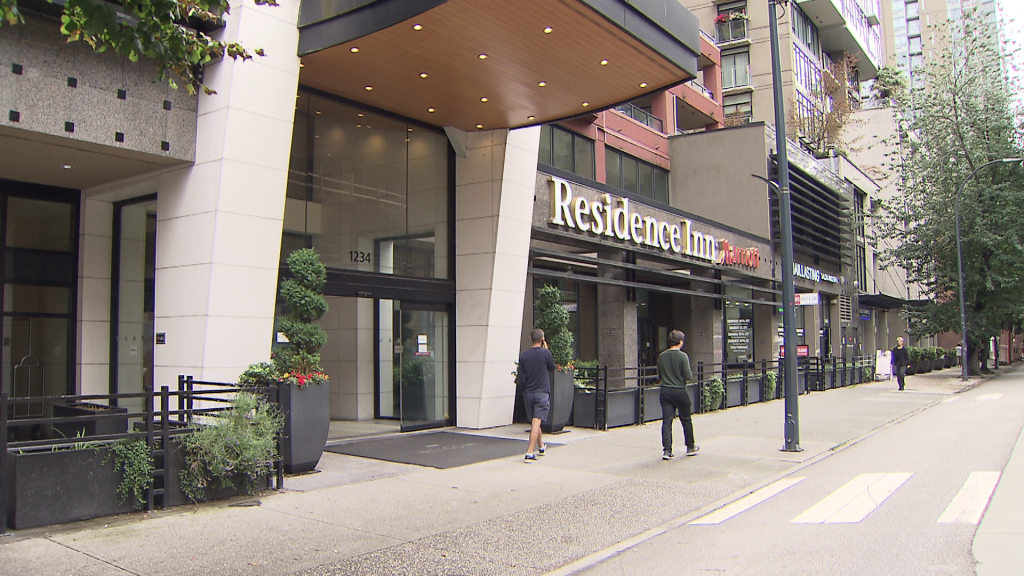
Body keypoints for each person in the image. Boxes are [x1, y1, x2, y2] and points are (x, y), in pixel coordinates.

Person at [657, 330, 698, 460]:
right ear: (680, 342)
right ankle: (690, 446)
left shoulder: (662, 356)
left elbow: (659, 376)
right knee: (686, 419)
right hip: (680, 391)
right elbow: (688, 376)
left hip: (665, 391)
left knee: (667, 421)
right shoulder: (683, 356)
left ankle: (667, 451)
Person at [518, 328, 556, 462]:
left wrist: (523, 390)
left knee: (535, 421)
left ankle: (541, 446)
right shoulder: (546, 354)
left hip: (528, 393)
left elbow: (520, 377)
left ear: (530, 339)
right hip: (542, 393)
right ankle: (529, 452)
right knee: (536, 422)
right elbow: (552, 368)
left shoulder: (524, 356)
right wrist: (546, 349)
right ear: (542, 339)